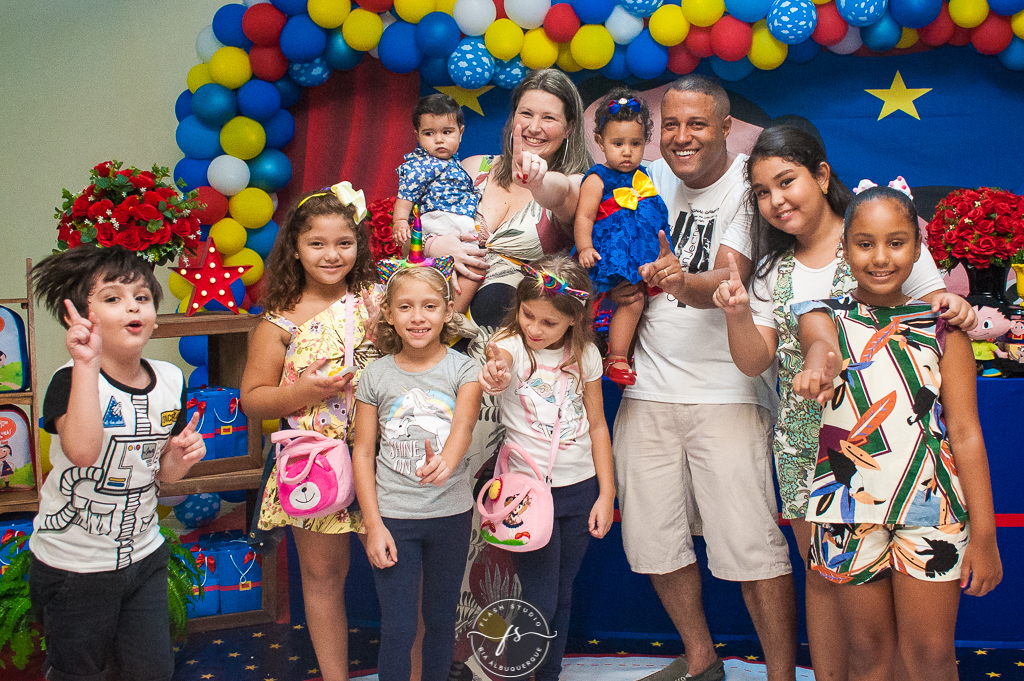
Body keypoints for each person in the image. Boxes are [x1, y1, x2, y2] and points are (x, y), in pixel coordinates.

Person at [711, 126, 976, 680]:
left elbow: (932, 319)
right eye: (761, 192)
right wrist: (737, 313)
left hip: (894, 448)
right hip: (808, 448)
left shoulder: (879, 235)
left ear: (822, 176)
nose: (776, 200)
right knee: (826, 578)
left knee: (904, 609)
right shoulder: (770, 268)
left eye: (786, 182)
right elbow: (765, 358)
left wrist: (960, 308)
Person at [615, 75, 795, 681]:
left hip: (727, 393)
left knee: (750, 547)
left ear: (724, 128)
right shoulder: (647, 177)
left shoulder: (749, 188)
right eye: (671, 124)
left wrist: (673, 279)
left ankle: (778, 675)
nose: (681, 137)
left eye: (696, 125)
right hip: (646, 391)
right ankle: (701, 660)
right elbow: (576, 203)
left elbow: (726, 284)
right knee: (654, 540)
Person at [791, 185, 1002, 681]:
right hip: (844, 509)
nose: (880, 257)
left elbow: (967, 433)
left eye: (896, 242)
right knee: (866, 653)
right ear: (844, 250)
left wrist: (986, 536)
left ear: (918, 249)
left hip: (933, 508)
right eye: (864, 243)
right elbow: (819, 346)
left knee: (929, 655)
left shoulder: (943, 327)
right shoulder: (822, 313)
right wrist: (817, 366)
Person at [29, 245, 205, 681]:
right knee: (80, 672)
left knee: (152, 670)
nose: (132, 306)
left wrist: (178, 461)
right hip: (75, 566)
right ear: (82, 318)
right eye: (112, 298)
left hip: (143, 555)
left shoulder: (170, 378)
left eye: (141, 298)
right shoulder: (70, 377)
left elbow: (158, 473)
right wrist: (87, 364)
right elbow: (83, 453)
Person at [240, 183, 381, 681]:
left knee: (409, 576)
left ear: (360, 245)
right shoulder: (277, 323)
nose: (331, 254)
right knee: (322, 580)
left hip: (387, 460)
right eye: (316, 244)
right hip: (314, 466)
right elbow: (253, 400)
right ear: (295, 248)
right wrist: (304, 392)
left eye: (344, 242)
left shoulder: (379, 304)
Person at [478, 254, 615, 681]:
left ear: (573, 321)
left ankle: (547, 674)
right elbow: (496, 365)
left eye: (548, 323)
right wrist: (495, 373)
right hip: (526, 495)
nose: (534, 329)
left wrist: (607, 494)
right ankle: (519, 672)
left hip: (579, 489)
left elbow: (597, 426)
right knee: (539, 593)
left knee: (562, 592)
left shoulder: (587, 355)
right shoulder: (511, 347)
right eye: (528, 315)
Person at [352, 264, 482, 681]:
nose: (418, 316)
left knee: (441, 622)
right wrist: (373, 525)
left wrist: (446, 460)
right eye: (405, 307)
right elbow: (363, 450)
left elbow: (463, 424)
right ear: (389, 314)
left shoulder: (463, 369)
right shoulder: (375, 374)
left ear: (447, 312)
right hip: (394, 519)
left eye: (429, 306)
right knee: (400, 626)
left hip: (450, 516)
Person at [574, 88, 667, 386]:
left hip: (637, 255)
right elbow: (584, 216)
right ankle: (576, 351)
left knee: (635, 300)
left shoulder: (644, 177)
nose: (627, 151)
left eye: (635, 143)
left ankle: (617, 357)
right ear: (600, 142)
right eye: (618, 143)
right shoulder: (597, 178)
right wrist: (585, 247)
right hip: (608, 253)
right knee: (591, 304)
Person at [394, 93, 483, 314]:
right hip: (438, 221)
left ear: (460, 133)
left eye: (447, 132)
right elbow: (405, 196)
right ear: (417, 135)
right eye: (429, 133)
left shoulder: (454, 163)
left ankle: (453, 313)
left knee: (472, 268)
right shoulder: (420, 165)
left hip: (459, 224)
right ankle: (449, 316)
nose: (439, 140)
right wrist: (400, 221)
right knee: (446, 272)